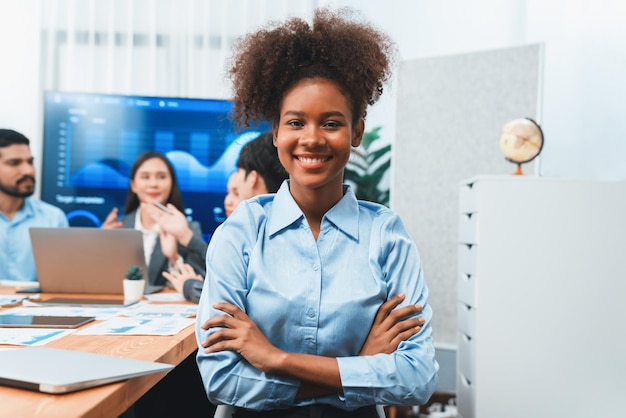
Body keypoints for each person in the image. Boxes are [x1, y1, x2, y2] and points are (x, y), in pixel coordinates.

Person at [195, 7, 439, 417]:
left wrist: (275, 359)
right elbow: (221, 378)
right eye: (295, 123)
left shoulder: (386, 235)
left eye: (330, 123)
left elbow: (418, 377)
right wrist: (359, 368)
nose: (311, 139)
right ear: (275, 132)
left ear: (356, 131)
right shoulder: (242, 232)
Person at [163, 132, 289, 303]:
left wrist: (191, 286)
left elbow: (234, 303)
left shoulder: (256, 230)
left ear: (252, 178)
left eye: (236, 191)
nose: (228, 201)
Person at [101, 151, 207, 287]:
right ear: (133, 185)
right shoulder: (117, 228)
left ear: (171, 184)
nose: (153, 184)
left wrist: (174, 258)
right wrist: (102, 245)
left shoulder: (188, 229)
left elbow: (200, 283)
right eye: (145, 177)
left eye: (161, 177)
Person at [0, 129, 68, 282]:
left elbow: (61, 282)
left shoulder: (53, 218)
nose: (29, 170)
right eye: (14, 163)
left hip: (35, 305)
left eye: (30, 162)